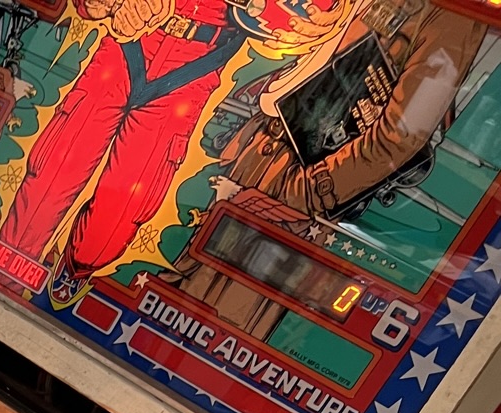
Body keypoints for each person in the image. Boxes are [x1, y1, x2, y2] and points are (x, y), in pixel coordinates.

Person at [169, 0, 492, 336]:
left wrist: (309, 191)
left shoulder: (454, 15)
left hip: (301, 176)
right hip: (266, 146)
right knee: (181, 294)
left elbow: (399, 136)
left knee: (223, 320)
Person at [0, 0, 257, 308]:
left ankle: (79, 265)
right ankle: (5, 266)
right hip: (129, 39)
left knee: (119, 214)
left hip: (197, 63)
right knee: (56, 169)